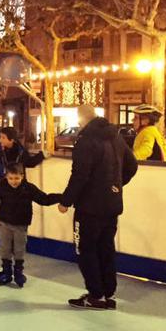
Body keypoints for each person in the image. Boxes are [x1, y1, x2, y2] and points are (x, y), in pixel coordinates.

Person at [58, 104, 137, 310]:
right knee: (106, 248)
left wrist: (66, 200)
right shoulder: (116, 137)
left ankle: (95, 295)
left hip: (89, 207)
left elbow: (80, 175)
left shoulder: (85, 140)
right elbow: (132, 165)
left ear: (81, 118)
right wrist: (115, 185)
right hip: (112, 204)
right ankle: (107, 293)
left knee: (86, 249)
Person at [0, 163, 61, 288]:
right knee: (5, 248)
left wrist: (62, 198)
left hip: (21, 225)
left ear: (22, 176)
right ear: (6, 177)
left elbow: (44, 199)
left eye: (16, 178)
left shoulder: (28, 188)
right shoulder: (3, 187)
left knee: (19, 249)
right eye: (10, 178)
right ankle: (6, 271)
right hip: (4, 223)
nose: (13, 181)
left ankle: (18, 271)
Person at [0, 127, 46, 253]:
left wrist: (42, 155)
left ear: (11, 140)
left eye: (3, 138)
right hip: (3, 186)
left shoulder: (21, 151)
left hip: (19, 187)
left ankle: (16, 243)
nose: (0, 140)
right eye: (0, 137)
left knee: (17, 212)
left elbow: (29, 162)